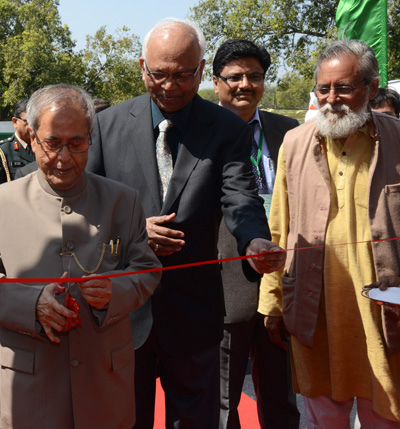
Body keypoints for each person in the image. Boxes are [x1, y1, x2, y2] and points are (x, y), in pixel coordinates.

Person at [87, 18, 285, 428]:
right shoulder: (106, 126)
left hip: (194, 311)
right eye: (159, 74)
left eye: (183, 74)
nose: (170, 85)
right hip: (123, 309)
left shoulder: (227, 128)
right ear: (142, 67)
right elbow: (85, 207)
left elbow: (240, 197)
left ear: (201, 71)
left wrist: (254, 243)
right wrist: (135, 230)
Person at [0, 84, 162, 428]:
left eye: (77, 143)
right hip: (32, 382)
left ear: (90, 138)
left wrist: (117, 292)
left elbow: (147, 270)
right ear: (33, 138)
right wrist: (30, 305)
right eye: (52, 143)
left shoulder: (123, 201)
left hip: (104, 380)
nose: (64, 157)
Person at [259, 40, 400, 427]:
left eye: (344, 88)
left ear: (371, 90)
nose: (331, 99)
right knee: (324, 418)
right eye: (323, 88)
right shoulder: (295, 143)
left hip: (384, 314)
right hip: (313, 308)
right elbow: (279, 229)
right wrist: (272, 305)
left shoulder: (396, 139)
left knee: (385, 416)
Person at [212, 39, 299, 429]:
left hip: (283, 278)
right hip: (226, 282)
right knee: (225, 402)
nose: (245, 84)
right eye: (234, 77)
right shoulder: (198, 133)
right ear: (215, 83)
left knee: (282, 395)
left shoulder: (291, 133)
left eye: (254, 76)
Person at [0, 98, 33, 191]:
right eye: (28, 121)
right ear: (15, 122)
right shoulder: (1, 151)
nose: (32, 127)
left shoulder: (44, 147)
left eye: (36, 122)